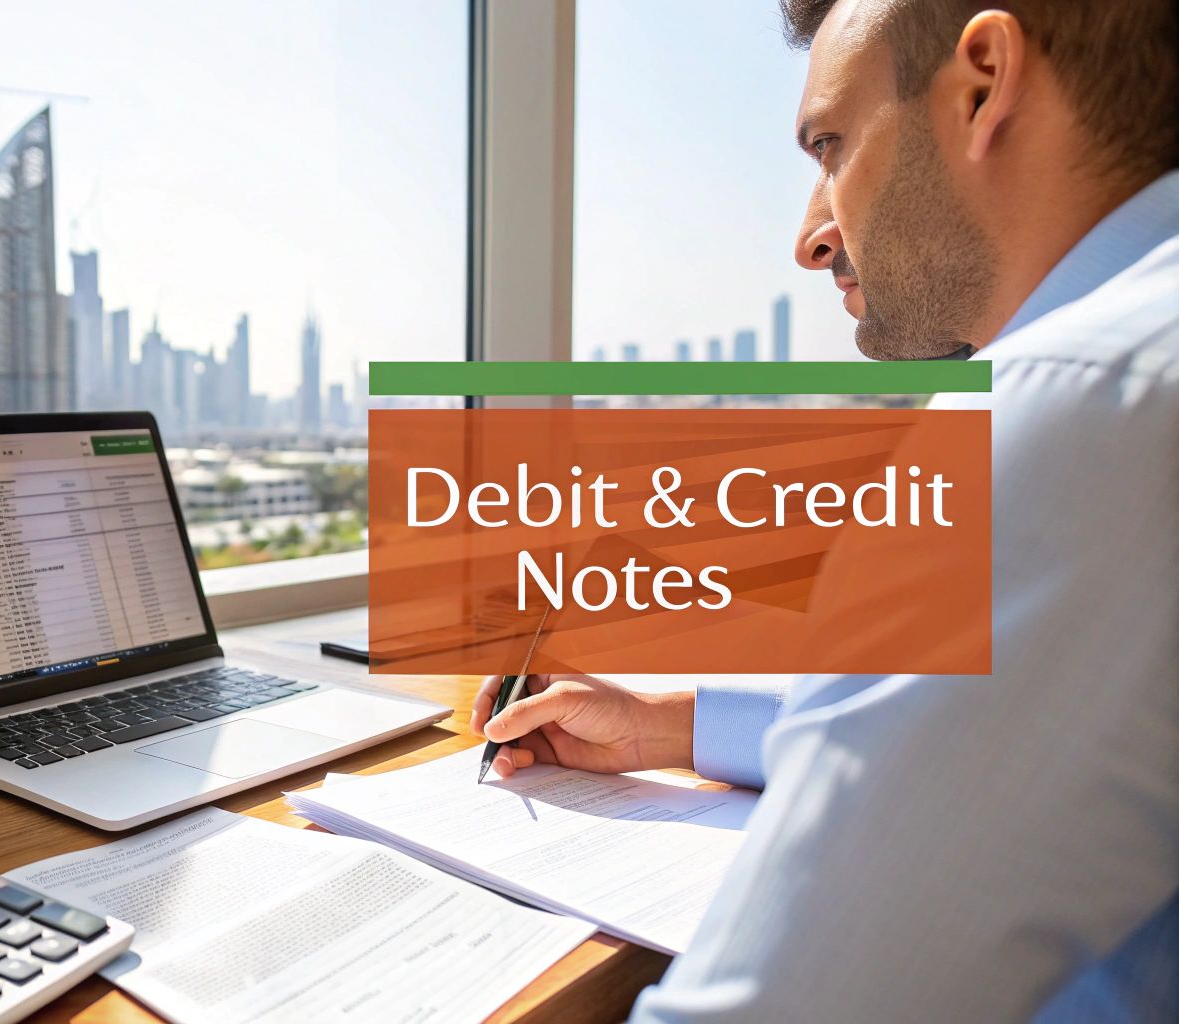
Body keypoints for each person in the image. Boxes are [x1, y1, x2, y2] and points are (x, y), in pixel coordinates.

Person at [471, 0, 1179, 1019]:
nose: (811, 237)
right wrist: (669, 729)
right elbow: (1026, 739)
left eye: (831, 146)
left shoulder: (1074, 402)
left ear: (982, 83)